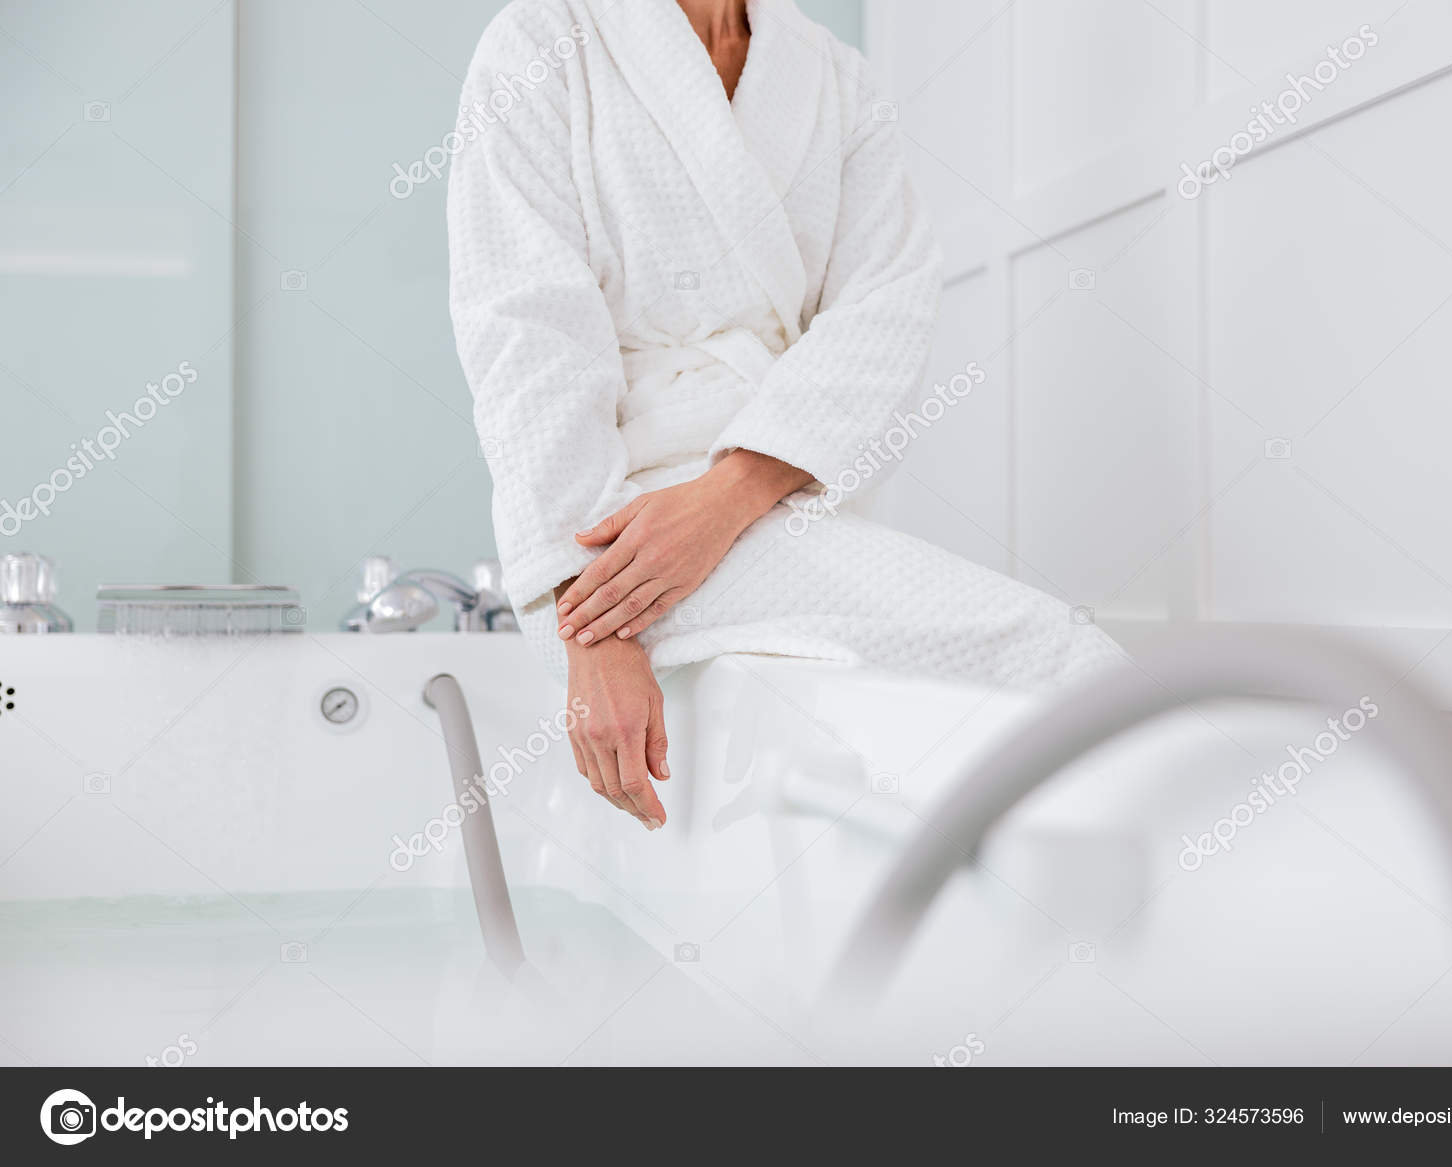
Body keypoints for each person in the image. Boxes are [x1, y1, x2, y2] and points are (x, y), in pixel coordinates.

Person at [448, 0, 1120, 832]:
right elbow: (526, 331)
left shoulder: (832, 77)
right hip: (611, 531)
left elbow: (887, 302)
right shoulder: (546, 40)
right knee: (1059, 654)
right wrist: (594, 631)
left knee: (1016, 681)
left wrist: (725, 500)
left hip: (768, 500)